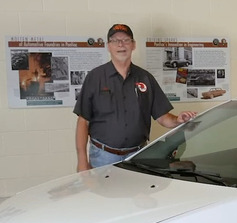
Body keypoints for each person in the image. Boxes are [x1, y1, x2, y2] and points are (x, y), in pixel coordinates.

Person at [73, 23, 196, 171]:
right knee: (104, 194)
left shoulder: (145, 78)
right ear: (108, 46)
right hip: (103, 157)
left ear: (133, 45)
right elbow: (83, 122)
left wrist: (178, 120)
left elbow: (162, 117)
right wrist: (82, 162)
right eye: (115, 40)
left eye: (126, 40)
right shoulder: (95, 77)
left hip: (136, 156)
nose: (121, 44)